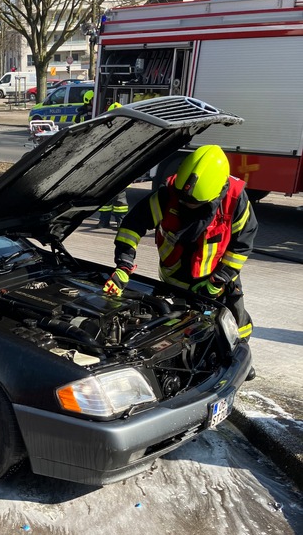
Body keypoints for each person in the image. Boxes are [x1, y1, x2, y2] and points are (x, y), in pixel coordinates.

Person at [103, 144, 257, 373]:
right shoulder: (170, 194)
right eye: (183, 200)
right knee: (175, 324)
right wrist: (124, 265)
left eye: (192, 204)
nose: (184, 204)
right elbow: (132, 226)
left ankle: (239, 359)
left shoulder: (236, 200)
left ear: (216, 194)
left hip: (218, 277)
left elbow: (241, 246)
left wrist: (219, 280)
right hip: (174, 276)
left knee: (235, 320)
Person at [96, 102, 128, 228]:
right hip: (106, 170)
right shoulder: (104, 129)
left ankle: (120, 221)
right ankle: (104, 221)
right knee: (105, 198)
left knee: (119, 198)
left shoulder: (126, 130)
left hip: (118, 170)